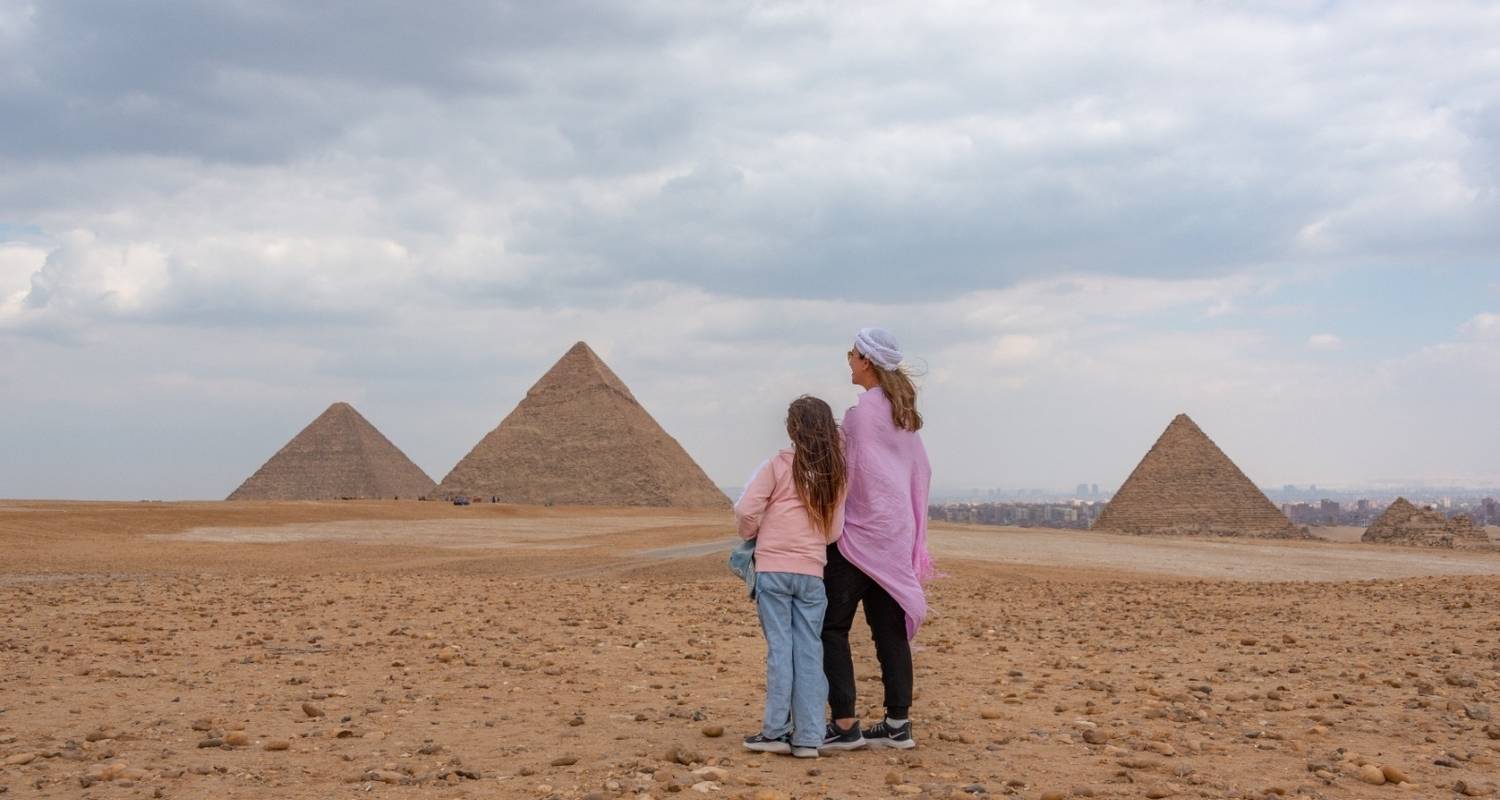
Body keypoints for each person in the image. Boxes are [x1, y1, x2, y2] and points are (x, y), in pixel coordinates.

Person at [821, 327, 934, 751]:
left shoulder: (862, 414)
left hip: (858, 539)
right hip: (895, 539)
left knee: (831, 628)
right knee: (889, 633)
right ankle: (897, 723)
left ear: (866, 360)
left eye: (851, 354)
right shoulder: (904, 418)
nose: (847, 360)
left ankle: (846, 725)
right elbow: (919, 474)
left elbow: (848, 475)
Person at [735, 396, 848, 758]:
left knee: (780, 651)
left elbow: (745, 509)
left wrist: (753, 532)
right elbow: (833, 532)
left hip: (773, 570)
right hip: (812, 573)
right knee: (810, 651)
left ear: (792, 429)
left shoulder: (778, 465)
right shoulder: (835, 475)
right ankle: (810, 738)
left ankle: (775, 732)